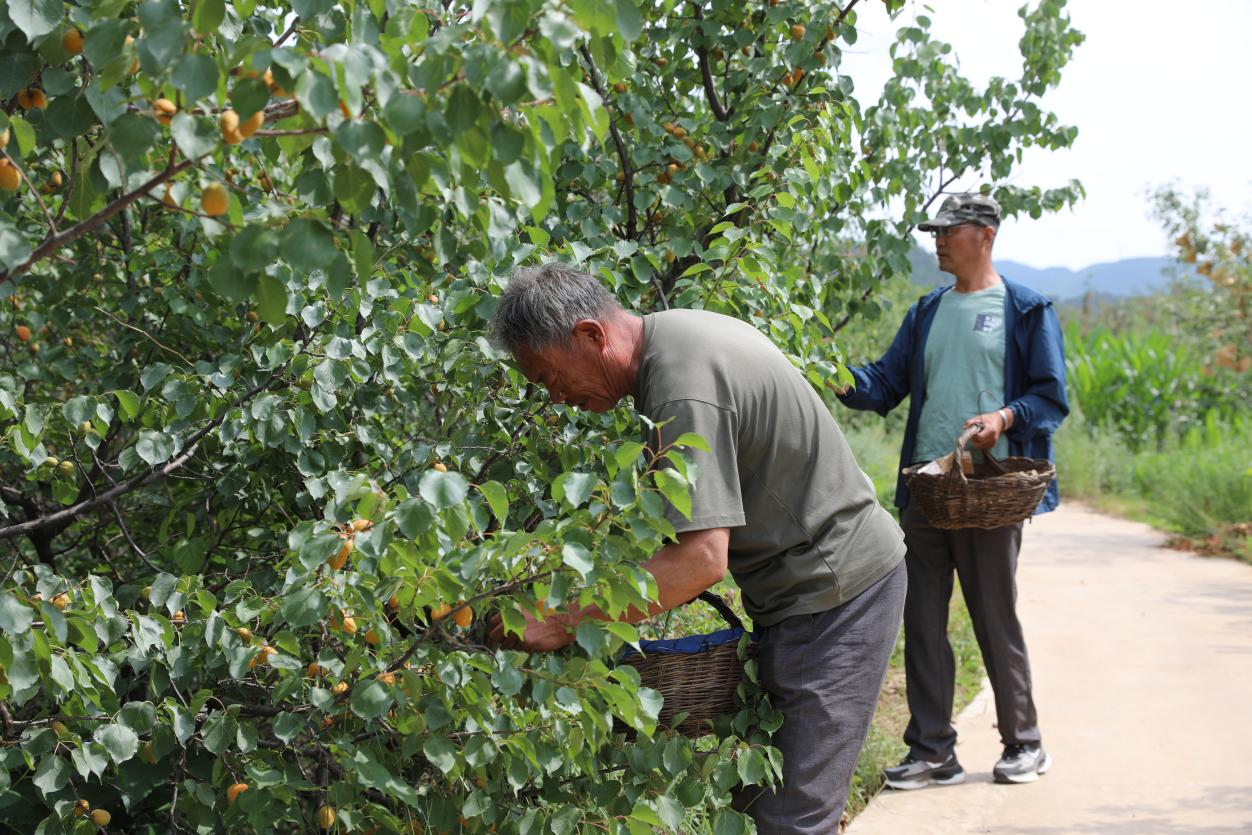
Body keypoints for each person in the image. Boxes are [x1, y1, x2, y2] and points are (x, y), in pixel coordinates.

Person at [487, 261, 907, 832]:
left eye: (547, 376)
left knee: (790, 817)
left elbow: (701, 560)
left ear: (590, 335)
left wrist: (563, 620)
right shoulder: (672, 343)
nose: (555, 397)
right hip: (812, 589)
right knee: (777, 798)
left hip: (835, 592)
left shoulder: (682, 385)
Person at [837, 193, 1069, 788]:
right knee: (921, 618)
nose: (937, 240)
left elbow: (1049, 396)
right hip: (928, 490)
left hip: (988, 491)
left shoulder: (1025, 308)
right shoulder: (927, 311)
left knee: (995, 615)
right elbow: (884, 384)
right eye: (934, 231)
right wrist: (830, 373)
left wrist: (1006, 418)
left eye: (949, 230)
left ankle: (1024, 742)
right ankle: (933, 748)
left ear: (985, 235)